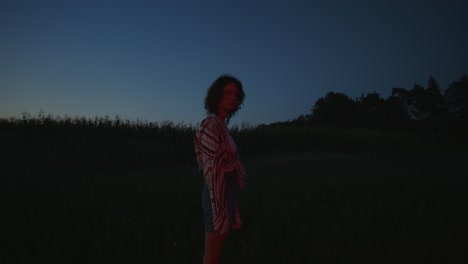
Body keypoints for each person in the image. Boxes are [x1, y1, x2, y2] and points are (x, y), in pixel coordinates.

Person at [194, 75, 247, 264]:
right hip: (216, 195)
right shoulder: (210, 125)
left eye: (236, 95)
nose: (233, 97)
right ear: (217, 95)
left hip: (227, 192)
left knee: (217, 254)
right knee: (211, 258)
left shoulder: (222, 126)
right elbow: (211, 169)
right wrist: (219, 207)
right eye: (228, 93)